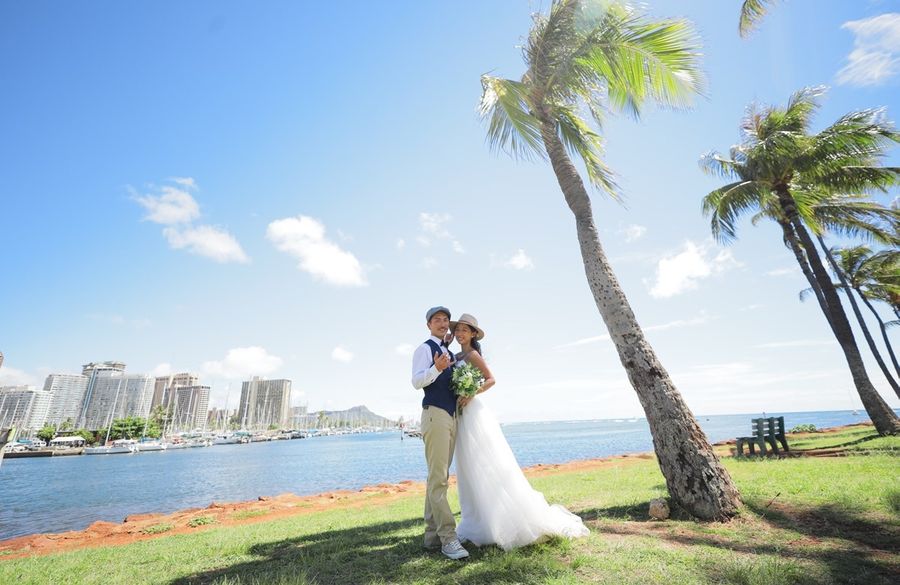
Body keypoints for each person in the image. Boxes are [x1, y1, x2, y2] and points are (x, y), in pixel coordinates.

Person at [452, 313, 590, 550]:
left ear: (473, 334)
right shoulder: (456, 357)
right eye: (458, 330)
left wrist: (471, 392)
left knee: (486, 461)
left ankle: (502, 520)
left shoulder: (473, 355)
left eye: (465, 330)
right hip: (461, 414)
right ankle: (477, 519)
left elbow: (491, 379)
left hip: (474, 412)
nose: (460, 333)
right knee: (468, 466)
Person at [410, 306, 470, 560]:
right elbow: (416, 381)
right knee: (439, 480)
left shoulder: (447, 350)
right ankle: (448, 538)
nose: (443, 323)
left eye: (446, 320)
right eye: (437, 320)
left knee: (438, 477)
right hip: (435, 415)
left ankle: (432, 537)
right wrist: (435, 368)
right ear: (429, 325)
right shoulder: (424, 349)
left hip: (450, 416)